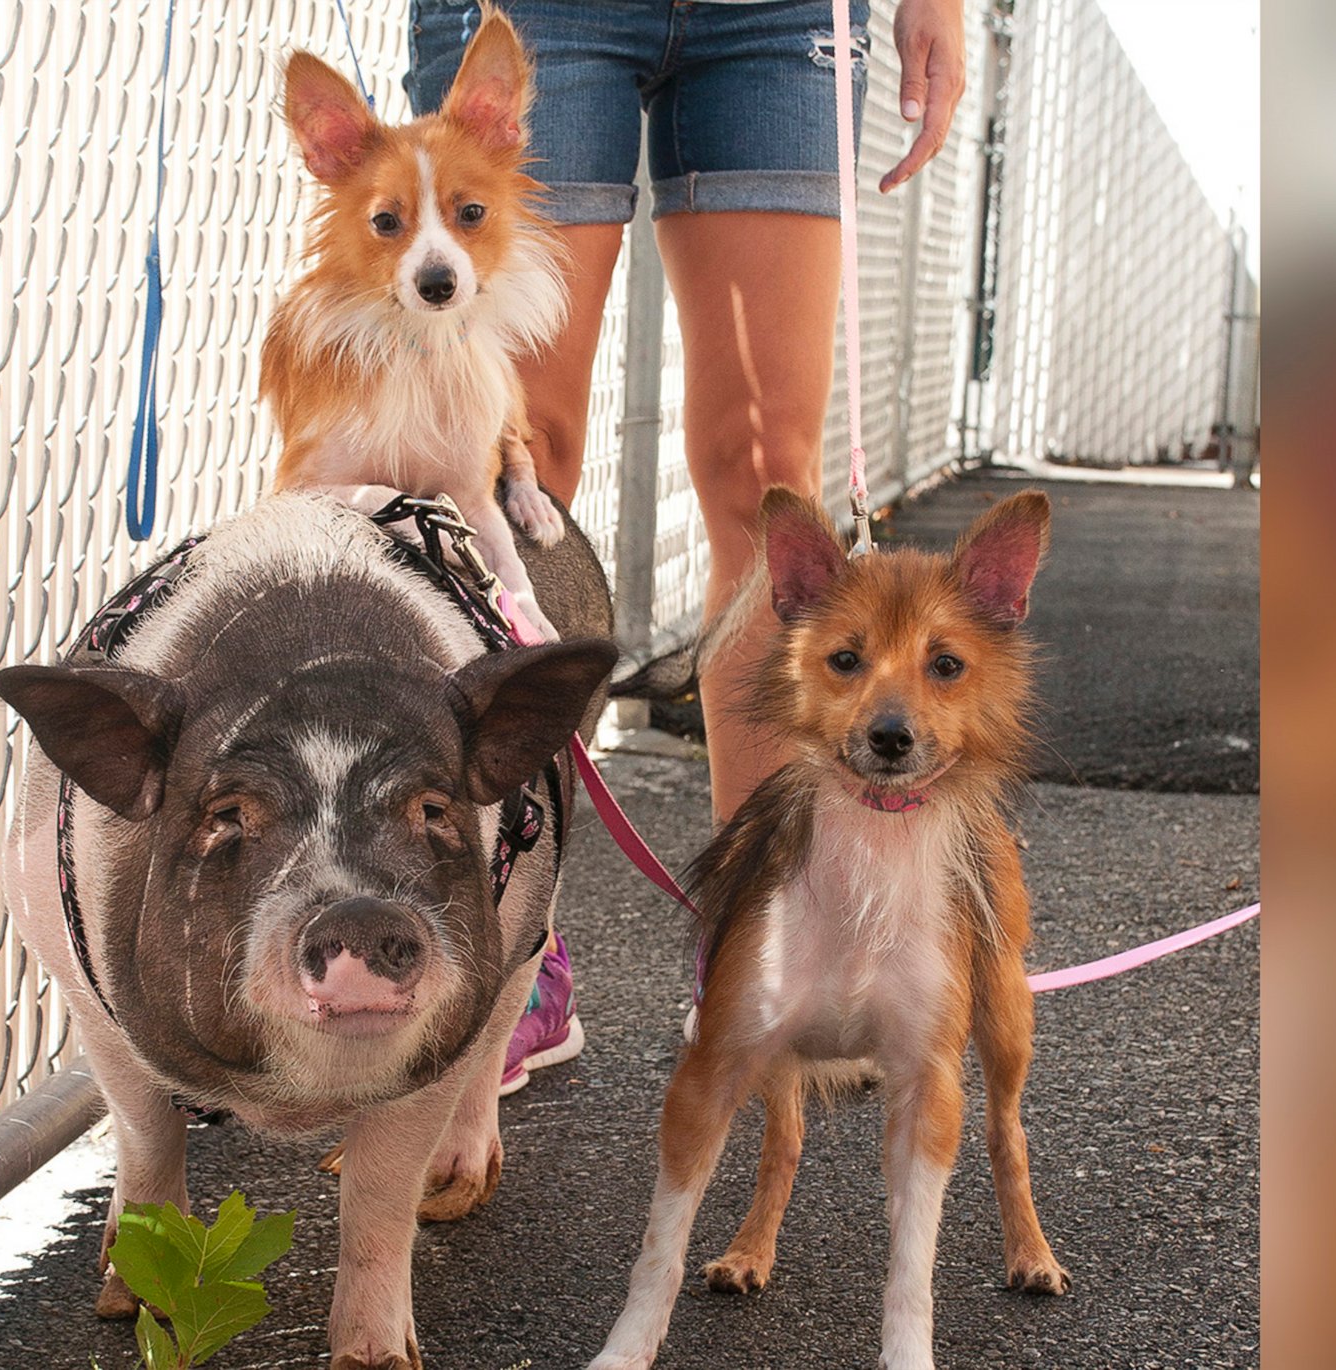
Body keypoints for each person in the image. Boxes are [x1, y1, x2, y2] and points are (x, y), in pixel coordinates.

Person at [405, 0, 968, 1087]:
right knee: (520, 452)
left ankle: (754, 938)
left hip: (779, 19)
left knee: (770, 488)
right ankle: (500, 943)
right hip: (534, 17)